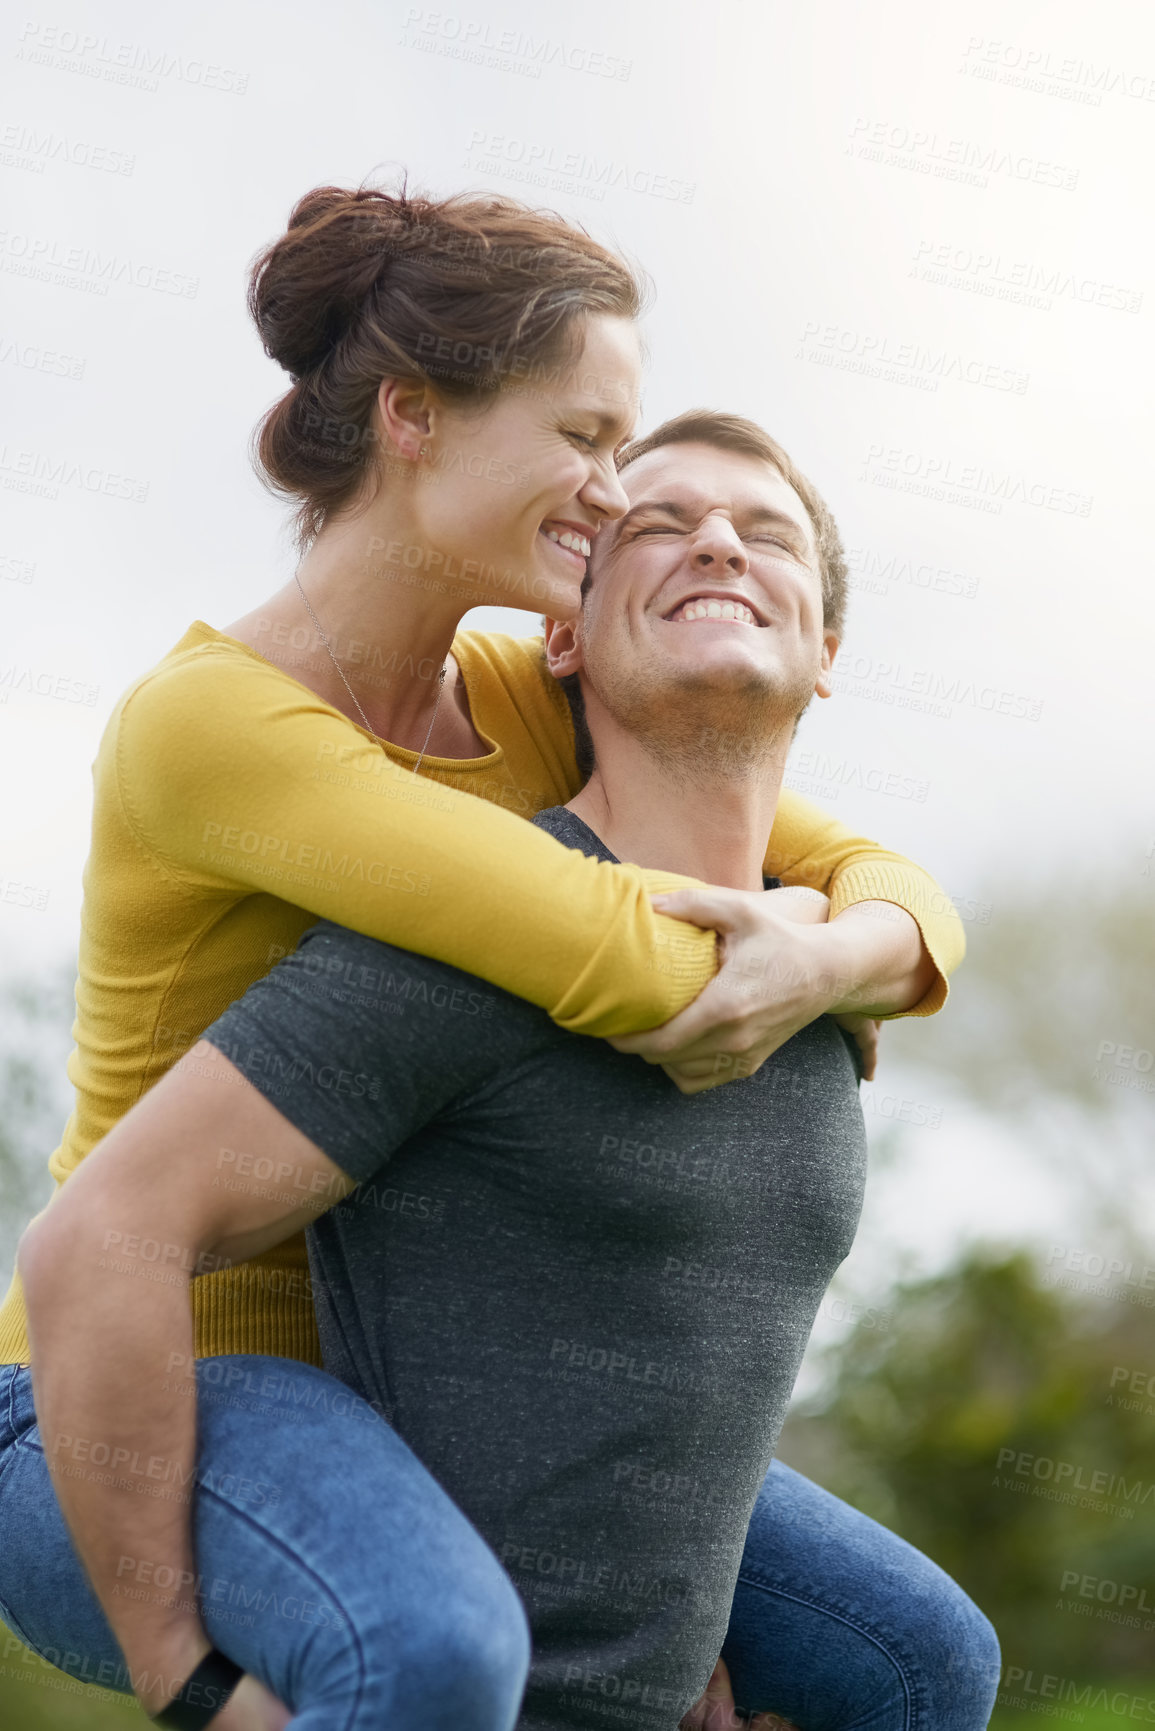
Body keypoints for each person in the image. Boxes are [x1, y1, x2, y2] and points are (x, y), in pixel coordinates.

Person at [14, 412, 999, 1731]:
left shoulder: (826, 974)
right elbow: (99, 1238)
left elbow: (656, 1367)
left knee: (923, 1664)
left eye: (767, 535)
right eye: (657, 524)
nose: (717, 539)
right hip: (143, 1411)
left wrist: (697, 1614)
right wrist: (188, 1685)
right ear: (564, 640)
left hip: (494, 1539)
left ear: (827, 655)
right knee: (429, 1657)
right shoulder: (449, 941)